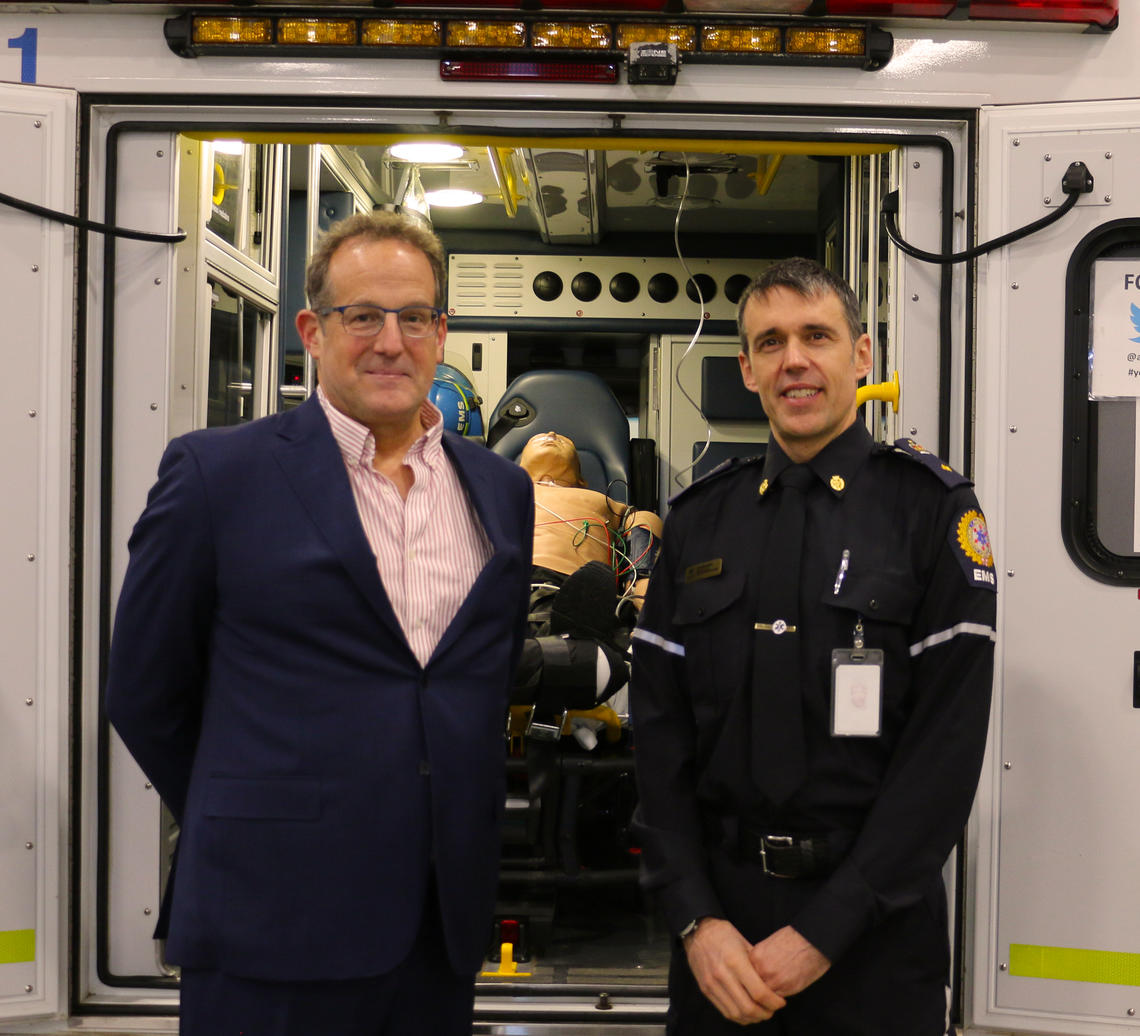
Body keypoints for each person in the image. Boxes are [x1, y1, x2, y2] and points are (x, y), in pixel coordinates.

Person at [104, 210, 534, 1036]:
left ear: (442, 333)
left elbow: (480, 677)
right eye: (362, 316)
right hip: (270, 915)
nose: (390, 341)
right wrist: (256, 810)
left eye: (414, 318)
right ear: (311, 330)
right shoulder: (216, 475)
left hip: (439, 925)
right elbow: (144, 691)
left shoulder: (501, 492)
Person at [630, 257, 996, 1033]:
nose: (794, 359)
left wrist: (826, 931)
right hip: (721, 945)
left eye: (817, 336)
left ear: (861, 357)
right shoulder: (699, 518)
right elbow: (659, 743)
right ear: (748, 369)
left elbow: (944, 754)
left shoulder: (931, 514)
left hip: (874, 939)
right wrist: (696, 920)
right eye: (770, 342)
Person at [511, 430, 663, 735]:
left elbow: (645, 524)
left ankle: (564, 665)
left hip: (574, 598)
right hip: (501, 592)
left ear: (582, 482)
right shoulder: (495, 493)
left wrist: (644, 609)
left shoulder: (601, 502)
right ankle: (574, 673)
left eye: (566, 439)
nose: (552, 433)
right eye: (539, 436)